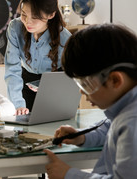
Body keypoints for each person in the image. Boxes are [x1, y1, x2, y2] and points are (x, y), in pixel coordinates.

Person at [43, 23, 137, 179]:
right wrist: (82, 137)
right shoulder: (125, 112)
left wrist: (68, 175)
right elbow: (109, 128)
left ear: (115, 80)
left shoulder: (132, 122)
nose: (81, 91)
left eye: (86, 84)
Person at [4, 0, 71, 115]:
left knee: (51, 128)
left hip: (54, 84)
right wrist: (18, 104)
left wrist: (47, 86)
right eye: (24, 14)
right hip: (26, 81)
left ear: (51, 14)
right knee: (24, 129)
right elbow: (12, 68)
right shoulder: (15, 28)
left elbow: (71, 75)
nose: (27, 22)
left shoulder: (65, 38)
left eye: (35, 17)